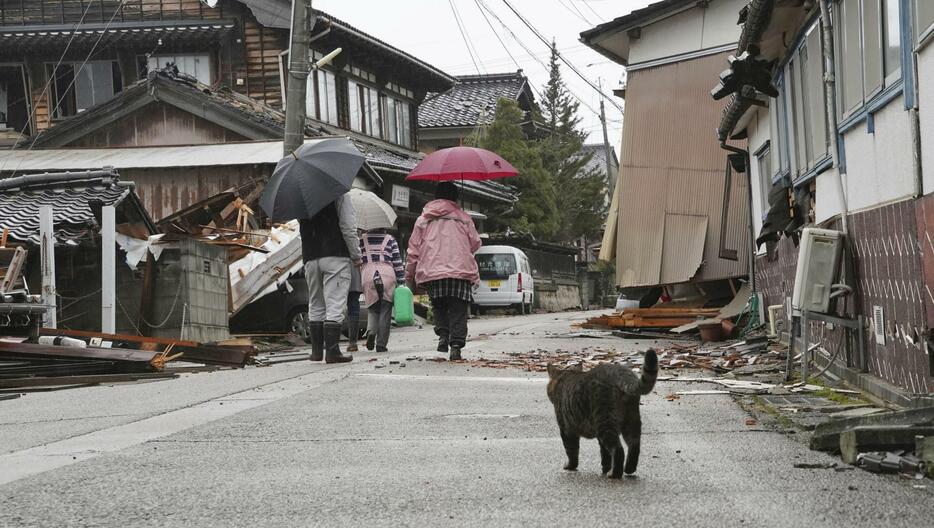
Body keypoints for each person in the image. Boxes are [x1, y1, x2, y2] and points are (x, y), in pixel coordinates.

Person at [405, 182, 482, 361]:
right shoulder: (464, 218)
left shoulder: (424, 219)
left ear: (436, 197)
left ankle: (443, 335)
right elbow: (476, 243)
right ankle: (456, 344)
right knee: (458, 309)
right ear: (455, 197)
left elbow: (413, 249)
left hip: (433, 271)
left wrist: (409, 274)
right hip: (460, 270)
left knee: (439, 305)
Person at [301, 193, 361, 363]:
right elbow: (348, 226)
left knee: (316, 302)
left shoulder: (300, 195)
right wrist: (356, 254)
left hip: (310, 256)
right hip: (335, 254)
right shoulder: (338, 192)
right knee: (335, 302)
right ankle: (333, 351)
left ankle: (316, 352)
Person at [359, 228, 405, 352]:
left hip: (368, 276)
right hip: (387, 275)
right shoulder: (390, 239)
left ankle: (371, 332)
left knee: (373, 308)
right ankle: (381, 344)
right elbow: (397, 262)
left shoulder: (361, 240)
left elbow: (357, 259)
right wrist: (401, 280)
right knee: (385, 309)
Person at [345, 264, 363, 353]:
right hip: (353, 273)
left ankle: (332, 344)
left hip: (337, 274)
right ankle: (352, 343)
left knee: (334, 307)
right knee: (354, 307)